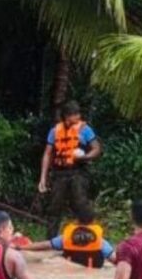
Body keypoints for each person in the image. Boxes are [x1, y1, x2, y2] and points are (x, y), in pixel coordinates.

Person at [39, 100, 103, 238]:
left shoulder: (85, 129)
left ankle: (89, 236)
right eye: (72, 119)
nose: (75, 122)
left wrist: (85, 157)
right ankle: (51, 240)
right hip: (59, 173)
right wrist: (43, 178)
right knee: (54, 207)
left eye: (77, 118)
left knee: (80, 203)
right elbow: (48, 153)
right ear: (66, 117)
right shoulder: (55, 131)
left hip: (79, 171)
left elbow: (96, 148)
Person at [22, 206, 115, 269]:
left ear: (76, 220)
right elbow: (115, 260)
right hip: (93, 272)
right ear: (94, 222)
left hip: (67, 269)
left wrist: (21, 247)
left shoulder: (65, 238)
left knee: (56, 255)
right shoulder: (101, 243)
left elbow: (45, 245)